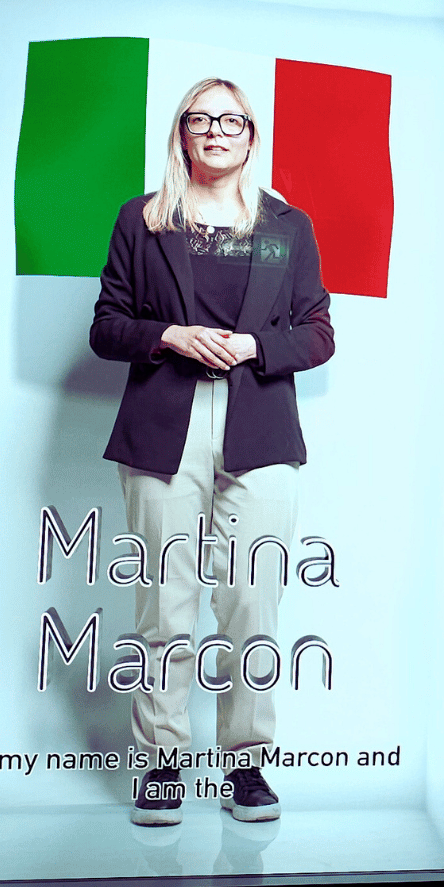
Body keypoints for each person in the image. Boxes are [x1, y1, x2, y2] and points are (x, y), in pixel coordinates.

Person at [90, 78, 335, 826]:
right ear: (183, 134)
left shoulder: (289, 226)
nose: (216, 130)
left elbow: (319, 332)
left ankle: (245, 766)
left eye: (231, 120)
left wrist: (258, 344)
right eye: (201, 119)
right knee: (164, 607)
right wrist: (167, 334)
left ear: (251, 137)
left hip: (259, 426)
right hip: (165, 423)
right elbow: (106, 326)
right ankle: (161, 764)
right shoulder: (144, 220)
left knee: (251, 605)